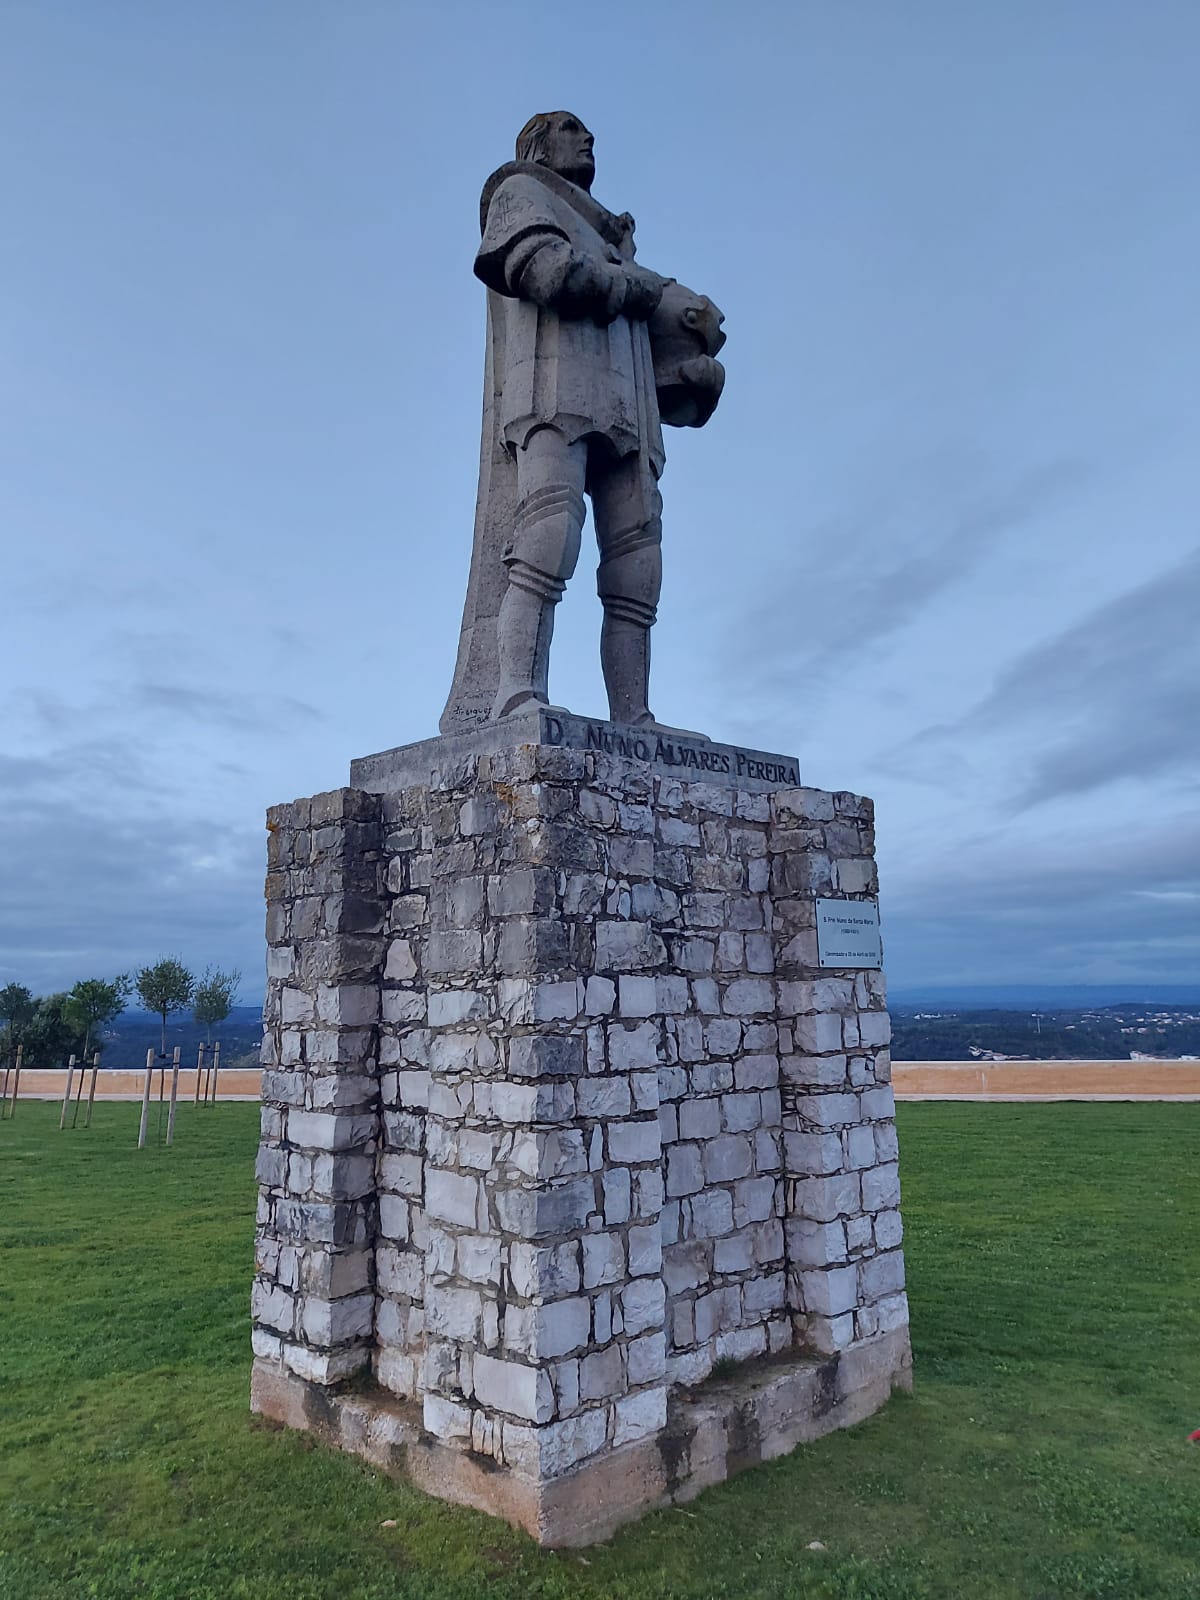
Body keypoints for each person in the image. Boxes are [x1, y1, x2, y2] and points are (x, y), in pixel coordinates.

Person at [441, 111, 724, 732]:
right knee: (547, 535)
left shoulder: (614, 240)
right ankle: (516, 692)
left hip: (628, 410)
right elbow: (546, 272)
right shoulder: (521, 194)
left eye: (588, 131)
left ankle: (634, 714)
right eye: (571, 130)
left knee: (638, 564)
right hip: (552, 391)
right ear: (539, 147)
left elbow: (661, 346)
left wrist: (693, 352)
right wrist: (644, 290)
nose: (588, 138)